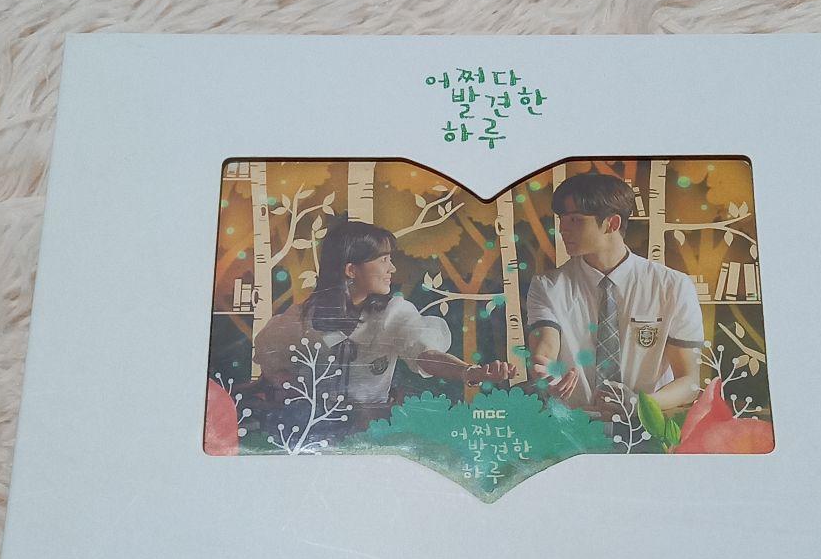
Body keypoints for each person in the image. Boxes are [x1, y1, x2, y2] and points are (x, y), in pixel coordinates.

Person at [255, 217, 515, 431]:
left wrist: (470, 372)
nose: (392, 269)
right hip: (310, 429)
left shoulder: (394, 313)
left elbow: (426, 356)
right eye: (383, 260)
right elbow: (270, 358)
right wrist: (288, 389)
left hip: (368, 429)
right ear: (351, 270)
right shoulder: (303, 318)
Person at [525, 171, 703, 416]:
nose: (562, 229)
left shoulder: (673, 287)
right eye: (561, 219)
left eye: (575, 219)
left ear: (612, 223)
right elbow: (546, 346)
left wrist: (639, 405)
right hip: (575, 426)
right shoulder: (547, 286)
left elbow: (689, 382)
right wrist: (545, 373)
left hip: (647, 426)